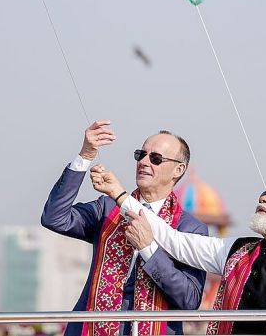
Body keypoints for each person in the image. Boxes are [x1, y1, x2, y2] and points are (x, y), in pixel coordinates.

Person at [90, 166, 266, 336]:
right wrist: (120, 195)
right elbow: (174, 240)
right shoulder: (236, 249)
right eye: (262, 196)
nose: (264, 199)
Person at [41, 120, 208, 336]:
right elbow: (54, 218)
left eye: (156, 158)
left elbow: (189, 299)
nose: (145, 162)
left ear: (178, 169)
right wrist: (85, 156)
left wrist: (148, 249)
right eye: (141, 155)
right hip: (90, 330)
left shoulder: (191, 229)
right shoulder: (108, 208)